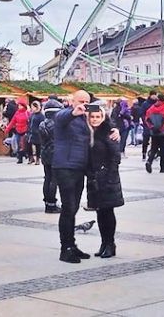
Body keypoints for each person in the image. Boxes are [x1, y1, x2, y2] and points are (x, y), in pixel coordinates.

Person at [54, 90, 93, 263]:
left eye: (86, 101)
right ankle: (66, 249)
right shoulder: (66, 115)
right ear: (72, 101)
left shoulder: (85, 120)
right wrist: (72, 112)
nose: (83, 104)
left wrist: (114, 130)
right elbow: (60, 117)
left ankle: (72, 244)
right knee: (68, 207)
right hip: (65, 167)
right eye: (80, 101)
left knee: (74, 207)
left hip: (79, 168)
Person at [86, 102, 123, 259]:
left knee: (108, 212)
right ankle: (103, 243)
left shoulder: (109, 132)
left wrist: (108, 174)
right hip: (94, 179)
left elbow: (116, 156)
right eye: (92, 117)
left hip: (107, 179)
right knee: (100, 213)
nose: (95, 119)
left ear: (103, 117)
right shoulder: (88, 132)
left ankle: (110, 244)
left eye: (98, 117)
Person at [38, 98, 61, 213]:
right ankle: (51, 204)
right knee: (54, 180)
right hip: (55, 155)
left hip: (45, 154)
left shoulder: (42, 123)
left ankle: (47, 203)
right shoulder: (57, 124)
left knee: (47, 179)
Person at [144, 93, 164, 174]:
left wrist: (151, 127)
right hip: (162, 133)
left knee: (153, 149)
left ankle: (149, 161)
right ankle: (162, 168)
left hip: (153, 132)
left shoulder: (151, 108)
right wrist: (161, 129)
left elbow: (147, 119)